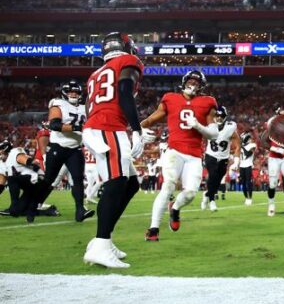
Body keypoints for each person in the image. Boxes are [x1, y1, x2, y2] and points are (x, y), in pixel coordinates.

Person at [82, 32, 155, 268]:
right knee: (115, 182)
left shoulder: (96, 73)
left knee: (131, 183)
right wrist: (137, 130)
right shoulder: (129, 62)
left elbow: (88, 106)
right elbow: (124, 91)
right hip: (108, 127)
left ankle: (103, 240)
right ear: (128, 47)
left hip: (100, 125)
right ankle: (101, 244)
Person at [141, 70, 217, 241]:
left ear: (202, 87)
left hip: (194, 154)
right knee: (168, 186)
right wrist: (138, 127)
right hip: (174, 151)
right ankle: (153, 229)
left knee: (190, 193)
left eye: (197, 83)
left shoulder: (208, 102)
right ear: (183, 82)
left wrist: (198, 126)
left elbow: (213, 134)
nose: (193, 85)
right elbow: (154, 117)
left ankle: (174, 208)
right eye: (190, 81)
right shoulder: (170, 98)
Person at [38, 80, 93, 222]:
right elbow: (55, 124)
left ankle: (80, 211)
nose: (73, 94)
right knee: (49, 179)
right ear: (64, 93)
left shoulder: (84, 108)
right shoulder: (58, 103)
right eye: (70, 92)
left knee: (78, 180)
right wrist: (77, 128)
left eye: (76, 92)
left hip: (75, 148)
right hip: (58, 147)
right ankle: (33, 204)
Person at [201, 106, 240, 212]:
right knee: (212, 175)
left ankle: (206, 194)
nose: (218, 118)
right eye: (216, 115)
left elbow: (237, 145)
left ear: (225, 117)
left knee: (218, 181)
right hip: (211, 155)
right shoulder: (209, 125)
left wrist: (236, 161)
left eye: (221, 116)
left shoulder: (230, 127)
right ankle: (212, 200)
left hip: (224, 158)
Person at [239, 131, 256, 205]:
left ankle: (250, 197)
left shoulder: (252, 145)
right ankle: (246, 197)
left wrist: (242, 147)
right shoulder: (240, 146)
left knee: (248, 182)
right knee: (243, 182)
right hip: (241, 165)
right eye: (248, 138)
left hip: (248, 165)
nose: (250, 140)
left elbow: (248, 153)